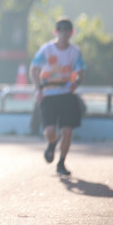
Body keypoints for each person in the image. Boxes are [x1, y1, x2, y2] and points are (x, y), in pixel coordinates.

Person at [30, 18, 86, 176]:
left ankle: (61, 162)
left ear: (71, 33)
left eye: (67, 30)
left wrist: (76, 83)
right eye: (61, 30)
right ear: (56, 32)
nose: (64, 33)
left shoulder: (75, 52)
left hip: (67, 94)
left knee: (67, 130)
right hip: (48, 94)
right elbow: (33, 69)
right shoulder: (47, 50)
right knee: (49, 130)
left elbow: (81, 72)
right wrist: (37, 89)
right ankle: (52, 141)